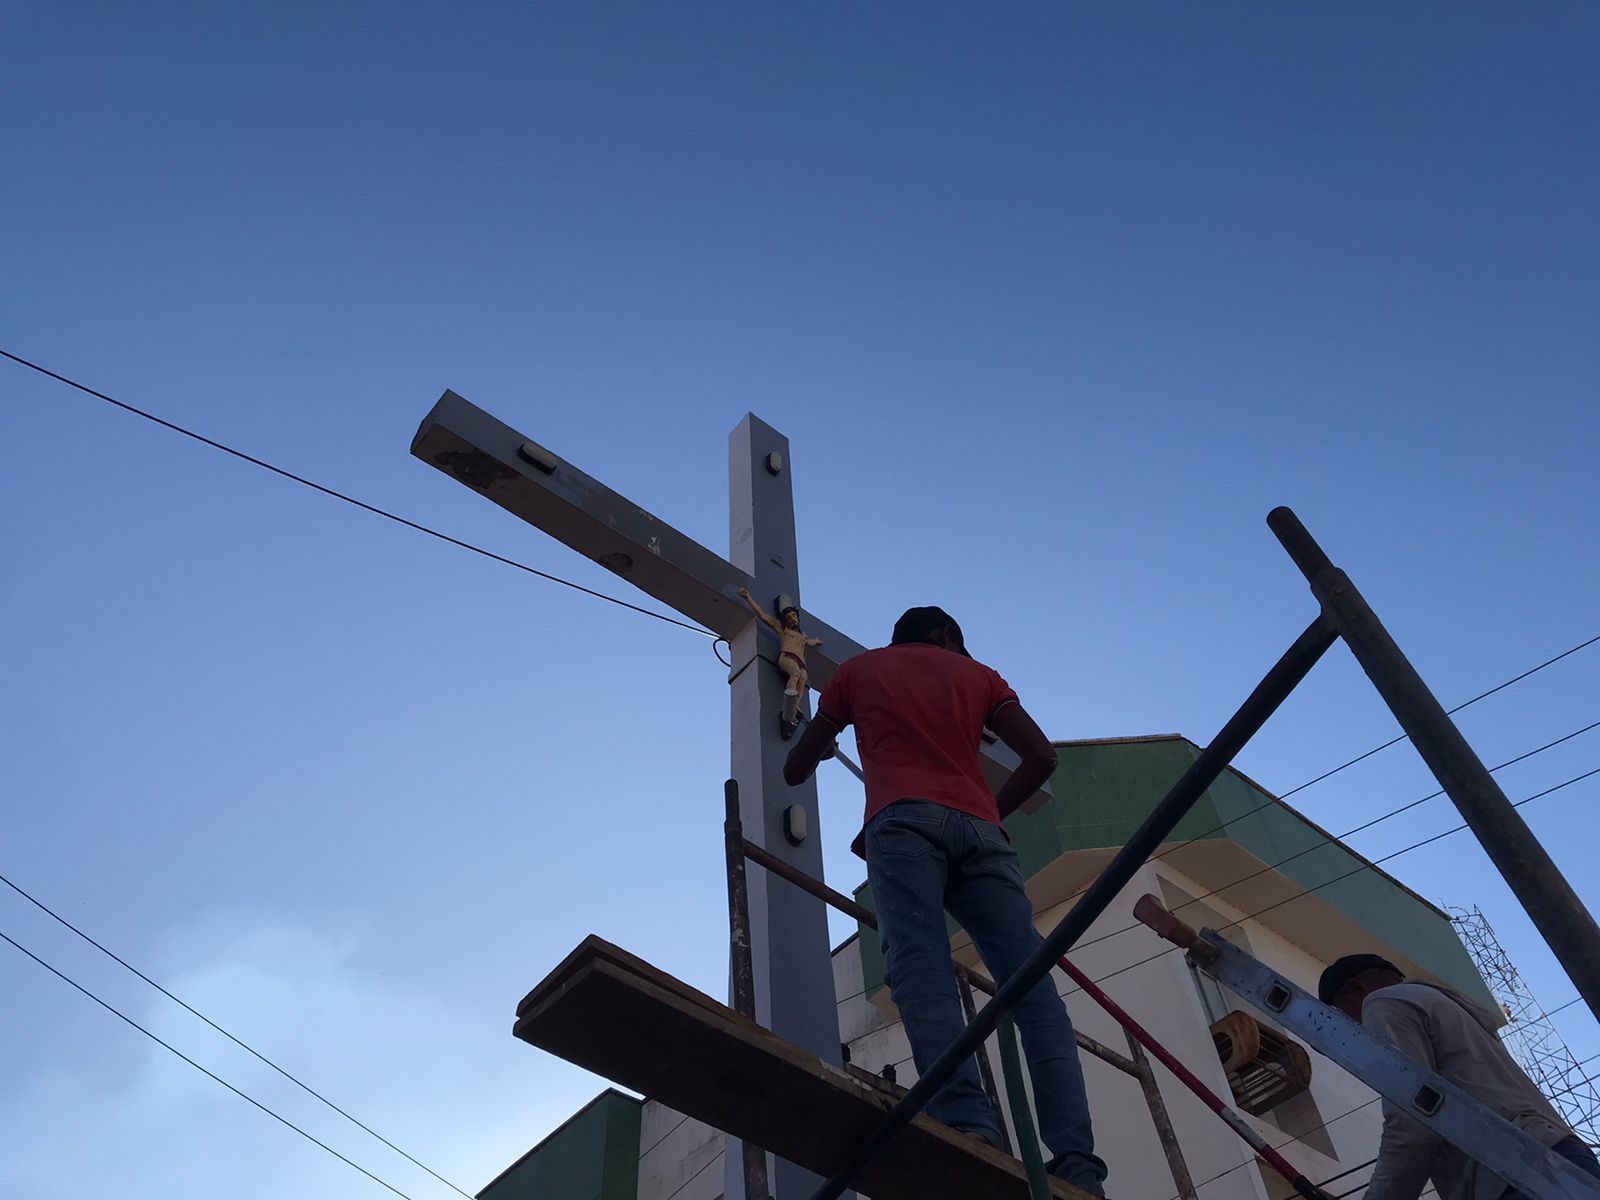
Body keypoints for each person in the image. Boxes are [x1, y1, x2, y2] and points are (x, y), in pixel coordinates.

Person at [783, 606, 1107, 1196]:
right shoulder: (980, 677)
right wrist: (987, 812)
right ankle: (1078, 1164)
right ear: (947, 637)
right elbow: (1042, 756)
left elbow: (794, 766)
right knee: (1032, 990)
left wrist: (827, 742)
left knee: (921, 965)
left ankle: (968, 1120)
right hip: (983, 835)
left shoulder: (858, 671)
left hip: (902, 826)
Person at [1319, 954, 1600, 1200]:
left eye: (1344, 1018)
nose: (1355, 1029)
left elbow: (1412, 1123)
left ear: (1356, 990)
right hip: (1565, 1161)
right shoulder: (1444, 1006)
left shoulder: (1380, 1004)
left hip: (1514, 1176)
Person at [739, 587, 822, 736]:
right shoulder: (783, 630)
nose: (792, 618)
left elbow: (809, 642)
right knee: (795, 674)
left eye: (793, 615)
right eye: (789, 616)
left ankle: (795, 706)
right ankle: (789, 698)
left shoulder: (802, 635)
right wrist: (748, 598)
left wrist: (815, 641)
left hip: (800, 660)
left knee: (803, 677)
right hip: (787, 657)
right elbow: (762, 615)